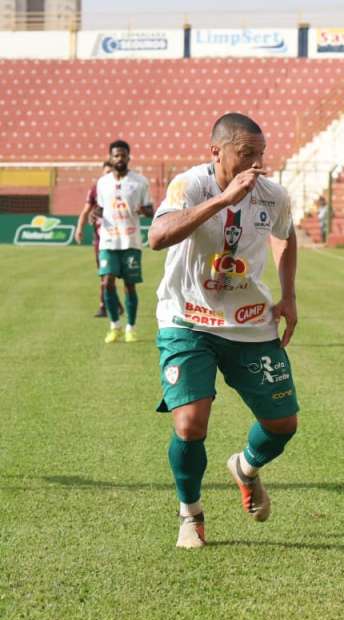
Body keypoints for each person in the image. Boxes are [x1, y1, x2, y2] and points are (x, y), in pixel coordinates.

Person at [148, 112, 299, 549]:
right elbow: (157, 237)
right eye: (245, 153)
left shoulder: (273, 195)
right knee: (191, 424)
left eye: (261, 154)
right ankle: (190, 513)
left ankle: (246, 468)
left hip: (249, 321)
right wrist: (223, 200)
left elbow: (286, 238)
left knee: (282, 424)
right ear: (216, 151)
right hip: (186, 319)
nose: (256, 162)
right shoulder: (189, 186)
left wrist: (288, 296)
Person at [94, 141, 153, 343]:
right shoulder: (102, 183)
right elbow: (101, 208)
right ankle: (114, 326)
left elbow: (150, 209)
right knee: (106, 282)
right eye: (116, 156)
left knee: (129, 285)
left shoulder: (140, 182)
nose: (119, 159)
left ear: (129, 157)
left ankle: (131, 327)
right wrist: (95, 214)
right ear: (110, 158)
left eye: (123, 155)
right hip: (109, 240)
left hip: (130, 240)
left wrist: (143, 210)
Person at [74, 160, 122, 317]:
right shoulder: (96, 189)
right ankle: (104, 305)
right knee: (104, 274)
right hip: (101, 240)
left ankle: (114, 305)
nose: (108, 175)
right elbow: (86, 210)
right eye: (105, 172)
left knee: (115, 275)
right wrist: (79, 229)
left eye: (110, 172)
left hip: (121, 237)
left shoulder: (122, 188)